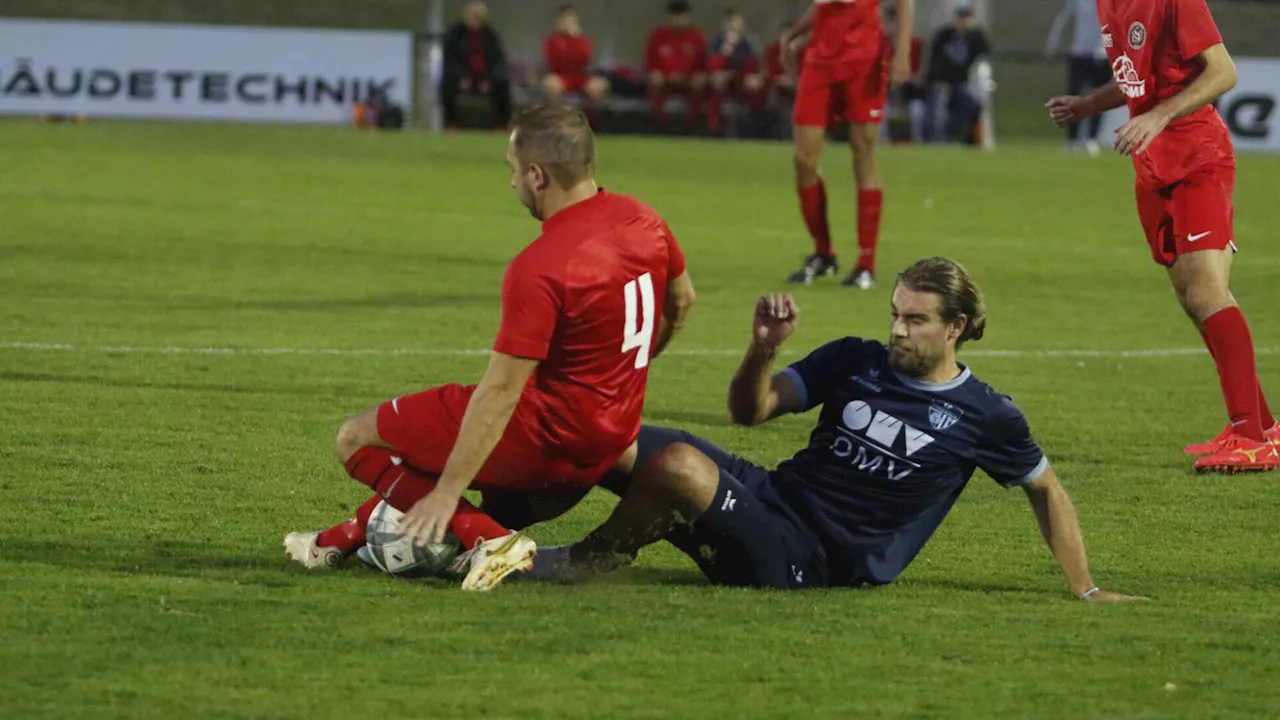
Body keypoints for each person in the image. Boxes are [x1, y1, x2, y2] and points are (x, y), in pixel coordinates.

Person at [528, 257, 1144, 602]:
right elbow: (753, 411)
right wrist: (762, 350)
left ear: (956, 326)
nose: (899, 330)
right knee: (606, 434)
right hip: (770, 497)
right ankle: (484, 526)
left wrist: (1086, 590)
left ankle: (590, 561)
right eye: (896, 314)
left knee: (679, 470)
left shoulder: (988, 415)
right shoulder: (856, 358)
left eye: (917, 320)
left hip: (811, 559)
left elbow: (1047, 489)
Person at [283, 106, 698, 590]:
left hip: (544, 445)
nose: (511, 181)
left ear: (537, 175)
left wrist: (449, 493)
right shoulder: (646, 220)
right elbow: (683, 300)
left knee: (356, 438)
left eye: (513, 169)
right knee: (424, 449)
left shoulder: (542, 265)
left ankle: (490, 538)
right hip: (608, 442)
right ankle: (340, 539)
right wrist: (624, 366)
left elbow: (501, 392)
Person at [1045, 0, 1278, 473]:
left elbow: (1222, 73)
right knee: (1193, 298)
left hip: (1198, 159)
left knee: (1207, 290)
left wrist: (1158, 117)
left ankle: (1251, 438)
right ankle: (1263, 426)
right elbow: (1138, 81)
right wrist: (1090, 104)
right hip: (1154, 166)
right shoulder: (1108, 5)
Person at [780, 0, 915, 290]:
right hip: (820, 58)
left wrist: (902, 52)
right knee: (804, 159)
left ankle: (866, 263)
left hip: (864, 58)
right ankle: (823, 253)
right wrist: (794, 33)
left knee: (863, 153)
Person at [1045, 0, 1111, 156]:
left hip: (1102, 55)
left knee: (1100, 97)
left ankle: (1091, 138)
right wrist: (1053, 44)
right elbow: (1063, 19)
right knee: (1073, 94)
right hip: (1079, 53)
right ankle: (1072, 140)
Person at [924, 7, 990, 145]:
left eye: (966, 18)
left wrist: (976, 30)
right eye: (960, 18)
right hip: (940, 82)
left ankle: (952, 135)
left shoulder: (973, 38)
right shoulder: (944, 35)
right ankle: (936, 139)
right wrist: (937, 79)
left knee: (973, 103)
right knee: (939, 105)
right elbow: (934, 60)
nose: (962, 22)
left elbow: (985, 49)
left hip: (960, 83)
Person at [441, 1, 512, 130]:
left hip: (486, 79)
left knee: (503, 84)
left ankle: (501, 125)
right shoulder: (454, 35)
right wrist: (461, 77)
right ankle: (451, 124)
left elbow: (498, 62)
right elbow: (449, 61)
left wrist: (489, 80)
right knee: (447, 84)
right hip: (462, 78)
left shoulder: (491, 36)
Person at [645, 1, 709, 133]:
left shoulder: (697, 37)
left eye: (682, 17)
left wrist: (700, 75)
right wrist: (656, 74)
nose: (679, 21)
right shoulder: (658, 36)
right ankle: (661, 127)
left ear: (688, 17)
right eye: (675, 17)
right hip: (666, 80)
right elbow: (650, 63)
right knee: (655, 84)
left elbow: (705, 64)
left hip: (688, 81)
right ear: (668, 18)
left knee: (700, 85)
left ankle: (690, 128)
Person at [705, 8, 765, 137]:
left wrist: (756, 77)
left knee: (755, 91)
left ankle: (754, 130)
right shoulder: (716, 42)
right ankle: (715, 130)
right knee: (716, 90)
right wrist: (726, 49)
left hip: (742, 79)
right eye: (729, 23)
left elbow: (757, 65)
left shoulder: (750, 42)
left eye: (735, 23)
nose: (732, 26)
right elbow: (712, 66)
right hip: (723, 81)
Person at [542, 5, 610, 106]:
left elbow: (584, 59)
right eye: (562, 19)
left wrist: (575, 37)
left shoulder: (584, 41)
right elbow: (554, 60)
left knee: (600, 85)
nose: (565, 22)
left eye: (568, 19)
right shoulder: (551, 41)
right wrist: (562, 41)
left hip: (581, 77)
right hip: (560, 76)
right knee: (550, 84)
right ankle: (558, 115)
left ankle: (591, 118)